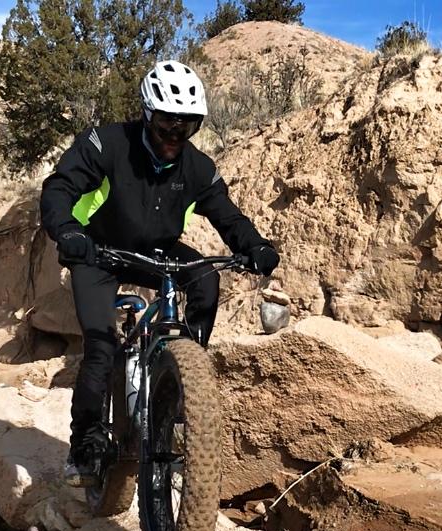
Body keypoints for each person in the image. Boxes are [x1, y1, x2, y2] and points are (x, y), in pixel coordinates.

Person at [40, 59, 280, 487]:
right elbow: (59, 188)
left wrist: (255, 245)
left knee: (206, 279)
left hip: (157, 250)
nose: (176, 137)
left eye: (187, 127)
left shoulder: (199, 168)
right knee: (100, 346)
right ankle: (86, 440)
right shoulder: (106, 144)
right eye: (168, 125)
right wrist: (68, 232)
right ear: (148, 115)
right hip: (98, 249)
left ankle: (184, 374)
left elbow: (229, 217)